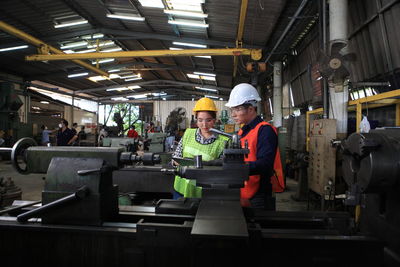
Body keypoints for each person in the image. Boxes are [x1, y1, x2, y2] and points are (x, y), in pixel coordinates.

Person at [225, 83, 285, 210]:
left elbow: (265, 164)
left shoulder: (265, 131)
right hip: (244, 190)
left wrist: (237, 168)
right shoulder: (243, 131)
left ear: (251, 109)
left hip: (259, 196)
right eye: (232, 110)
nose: (233, 114)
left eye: (237, 109)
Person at [172, 97, 230, 199]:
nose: (204, 125)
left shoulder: (223, 141)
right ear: (196, 120)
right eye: (200, 120)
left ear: (215, 120)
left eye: (208, 120)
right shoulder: (188, 133)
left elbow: (222, 169)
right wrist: (177, 161)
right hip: (180, 189)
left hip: (204, 192)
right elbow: (176, 157)